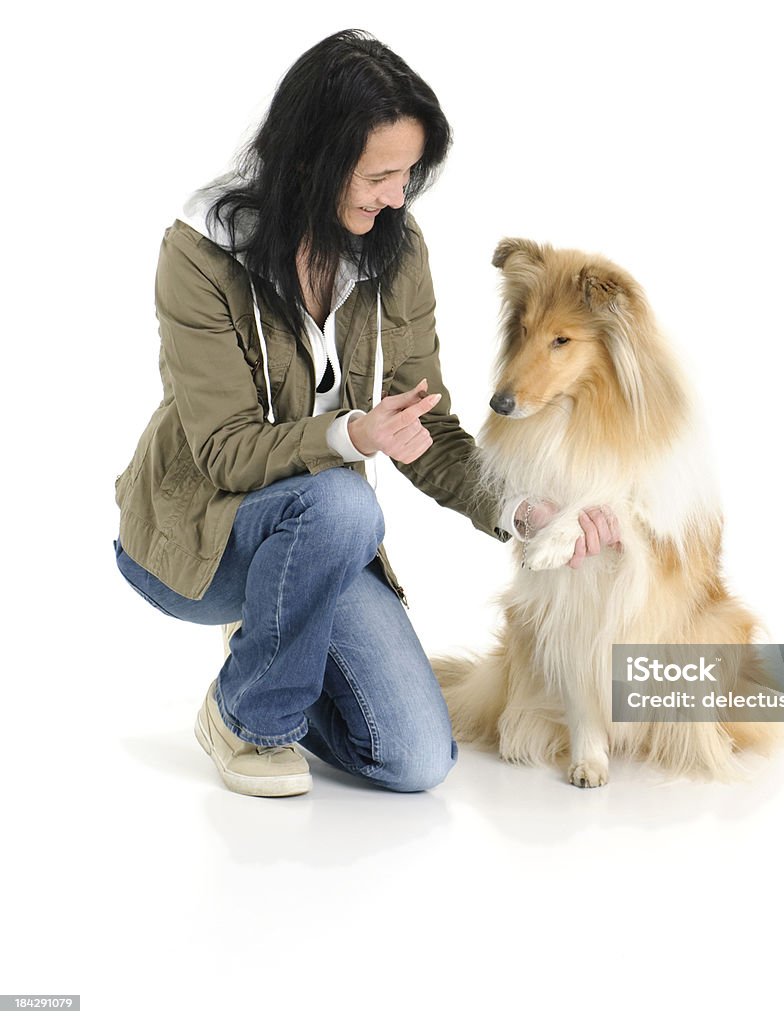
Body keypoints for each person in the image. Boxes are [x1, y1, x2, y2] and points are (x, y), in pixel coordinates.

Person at [113, 29, 618, 799]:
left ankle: (273, 642)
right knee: (345, 498)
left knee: (415, 760)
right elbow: (220, 451)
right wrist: (349, 434)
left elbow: (430, 430)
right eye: (379, 174)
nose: (395, 196)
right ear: (311, 158)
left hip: (319, 537)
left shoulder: (396, 249)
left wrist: (523, 510)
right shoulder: (199, 252)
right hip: (199, 546)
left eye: (409, 176)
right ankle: (246, 719)